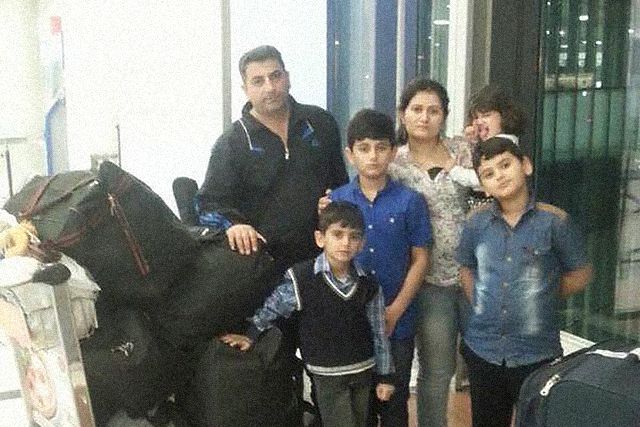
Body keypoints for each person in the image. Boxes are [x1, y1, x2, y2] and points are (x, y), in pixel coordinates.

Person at [456, 136, 593, 427]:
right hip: (484, 350)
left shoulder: (555, 222)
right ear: (483, 185)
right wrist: (479, 300)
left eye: (505, 165)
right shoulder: (476, 223)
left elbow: (581, 274)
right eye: (489, 174)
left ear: (526, 165)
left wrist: (541, 294)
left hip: (537, 353)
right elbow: (466, 267)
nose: (499, 176)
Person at [220, 201, 395, 427]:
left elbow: (379, 333)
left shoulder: (369, 284)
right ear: (320, 238)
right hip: (326, 373)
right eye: (338, 234)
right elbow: (272, 309)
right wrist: (250, 334)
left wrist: (385, 376)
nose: (345, 243)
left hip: (363, 370)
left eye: (354, 237)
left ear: (362, 244)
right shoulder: (301, 278)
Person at [196, 45, 348, 272]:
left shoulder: (320, 123)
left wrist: (333, 200)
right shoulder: (232, 143)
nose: (269, 87)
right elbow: (208, 206)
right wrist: (234, 226)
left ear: (288, 78)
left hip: (321, 266)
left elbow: (341, 185)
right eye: (258, 81)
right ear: (245, 89)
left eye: (275, 76)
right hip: (262, 268)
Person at [327, 109, 432, 426]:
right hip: (350, 321)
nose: (372, 156)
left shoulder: (410, 201)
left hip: (397, 322)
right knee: (355, 406)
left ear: (393, 151)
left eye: (381, 147)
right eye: (363, 148)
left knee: (394, 404)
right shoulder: (337, 201)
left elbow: (421, 259)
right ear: (350, 154)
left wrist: (396, 310)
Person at [388, 78, 479, 427]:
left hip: (475, 274)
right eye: (417, 109)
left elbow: (501, 172)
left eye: (434, 110)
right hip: (428, 281)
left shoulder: (463, 151)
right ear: (403, 114)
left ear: (444, 115)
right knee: (438, 370)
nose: (425, 117)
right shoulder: (393, 163)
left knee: (486, 362)